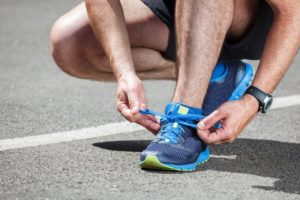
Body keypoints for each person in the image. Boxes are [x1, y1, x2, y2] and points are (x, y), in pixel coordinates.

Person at [50, 0, 300, 171]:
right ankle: (218, 75)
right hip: (182, 9)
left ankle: (185, 116)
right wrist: (125, 72)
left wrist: (253, 100)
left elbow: (294, 10)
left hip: (250, 21)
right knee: (71, 43)